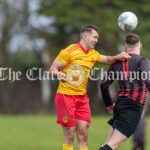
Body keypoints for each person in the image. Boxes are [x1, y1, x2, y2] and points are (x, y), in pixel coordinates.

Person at [49, 25, 130, 150]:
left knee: (83, 135)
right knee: (70, 134)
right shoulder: (69, 51)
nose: (96, 40)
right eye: (95, 37)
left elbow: (107, 59)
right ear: (85, 36)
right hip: (65, 97)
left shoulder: (92, 54)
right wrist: (58, 73)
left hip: (82, 99)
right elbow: (52, 69)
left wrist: (117, 57)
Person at [99, 33, 150, 150]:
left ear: (126, 48)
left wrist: (109, 104)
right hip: (133, 107)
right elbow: (148, 80)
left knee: (109, 144)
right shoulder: (142, 60)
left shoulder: (117, 63)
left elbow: (103, 84)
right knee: (112, 145)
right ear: (140, 46)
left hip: (120, 104)